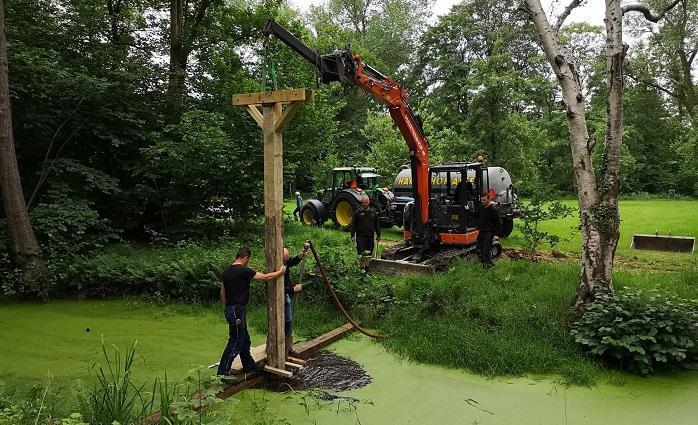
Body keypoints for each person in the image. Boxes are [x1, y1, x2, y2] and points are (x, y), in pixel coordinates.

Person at [217, 247, 285, 377]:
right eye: (248, 259)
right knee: (236, 340)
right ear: (245, 258)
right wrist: (280, 272)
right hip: (238, 310)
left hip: (230, 309)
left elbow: (222, 294)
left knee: (244, 339)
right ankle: (223, 372)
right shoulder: (244, 271)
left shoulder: (225, 272)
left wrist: (228, 307)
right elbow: (266, 277)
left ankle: (249, 366)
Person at [282, 243, 309, 357]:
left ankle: (288, 346)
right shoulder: (276, 267)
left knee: (288, 320)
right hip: (281, 296)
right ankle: (283, 346)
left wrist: (299, 256)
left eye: (286, 260)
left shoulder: (285, 263)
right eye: (284, 260)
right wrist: (293, 289)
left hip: (286, 295)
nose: (286, 263)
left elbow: (291, 262)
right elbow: (279, 288)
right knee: (287, 320)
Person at [350, 196, 381, 265]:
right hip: (360, 237)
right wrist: (352, 235)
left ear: (369, 202)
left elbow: (377, 225)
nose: (365, 204)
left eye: (366, 202)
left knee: (369, 253)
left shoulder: (373, 213)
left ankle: (367, 268)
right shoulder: (357, 213)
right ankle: (361, 268)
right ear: (361, 203)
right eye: (363, 202)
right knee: (361, 253)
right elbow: (353, 225)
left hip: (370, 237)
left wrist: (378, 234)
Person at [476, 193, 503, 268]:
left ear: (489, 199)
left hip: (490, 232)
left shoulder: (493, 210)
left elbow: (499, 223)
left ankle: (487, 266)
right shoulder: (481, 208)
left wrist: (497, 235)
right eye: (481, 200)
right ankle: (487, 263)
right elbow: (475, 215)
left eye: (484, 200)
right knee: (478, 248)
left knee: (486, 249)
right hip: (482, 231)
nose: (482, 201)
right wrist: (467, 210)